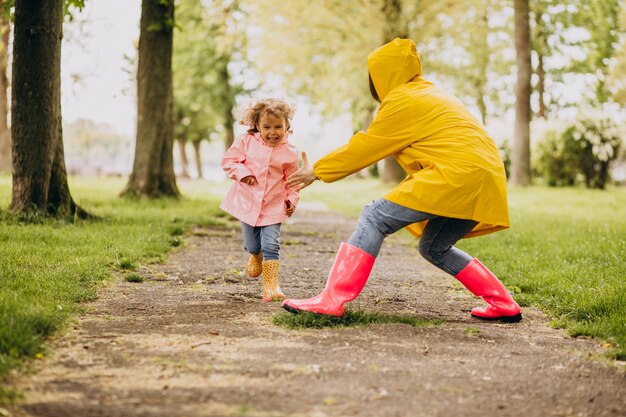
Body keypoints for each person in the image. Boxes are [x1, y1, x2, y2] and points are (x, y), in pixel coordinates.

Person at [282, 38, 521, 322]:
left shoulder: (402, 100)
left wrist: (317, 170)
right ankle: (503, 303)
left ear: (380, 76)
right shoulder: (430, 94)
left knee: (374, 216)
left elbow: (367, 146)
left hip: (457, 176)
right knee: (434, 247)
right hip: (485, 178)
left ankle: (332, 299)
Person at [220, 98, 300, 302]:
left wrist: (291, 199)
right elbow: (229, 161)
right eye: (267, 127)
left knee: (271, 244)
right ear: (256, 125)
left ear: (286, 126)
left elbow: (293, 181)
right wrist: (242, 172)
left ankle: (271, 287)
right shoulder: (245, 142)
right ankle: (255, 254)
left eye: (278, 127)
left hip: (274, 204)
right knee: (254, 245)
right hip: (248, 202)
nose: (273, 132)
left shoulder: (289, 152)